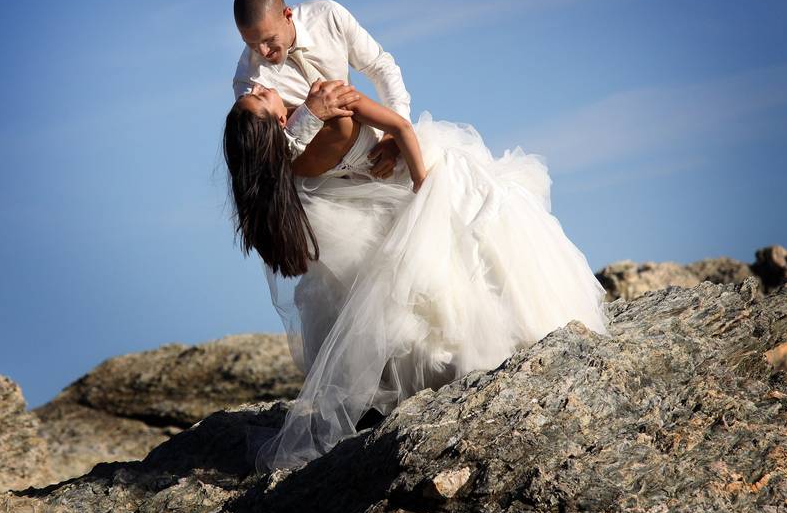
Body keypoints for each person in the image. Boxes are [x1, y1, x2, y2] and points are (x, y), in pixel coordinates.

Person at [223, 79, 610, 473]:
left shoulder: (281, 170)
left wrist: (302, 118)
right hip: (415, 164)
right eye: (256, 96)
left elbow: (287, 148)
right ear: (280, 120)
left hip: (379, 183)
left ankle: (421, 367)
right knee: (476, 230)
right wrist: (422, 180)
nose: (256, 84)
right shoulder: (332, 109)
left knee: (417, 276)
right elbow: (403, 128)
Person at [232, 0, 411, 179]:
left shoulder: (329, 16)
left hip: (372, 150)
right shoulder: (249, 82)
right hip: (318, 186)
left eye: (269, 39)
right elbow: (263, 156)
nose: (263, 51)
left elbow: (380, 66)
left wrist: (394, 135)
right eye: (251, 43)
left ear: (287, 16)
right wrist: (309, 115)